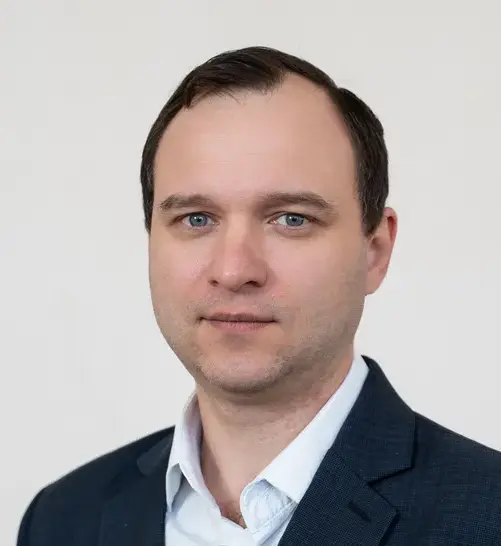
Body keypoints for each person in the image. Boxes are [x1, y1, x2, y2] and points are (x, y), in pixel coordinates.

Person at [17, 46, 501, 546]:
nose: (233, 271)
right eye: (196, 219)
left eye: (291, 219)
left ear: (375, 251)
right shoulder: (62, 519)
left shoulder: (488, 516)